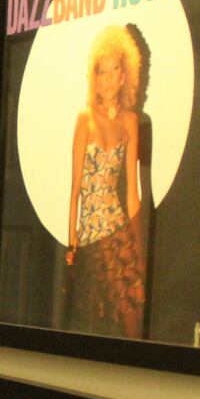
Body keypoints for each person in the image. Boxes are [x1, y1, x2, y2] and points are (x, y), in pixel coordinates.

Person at [66, 23, 147, 338]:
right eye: (103, 71)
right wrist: (71, 244)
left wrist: (138, 246)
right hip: (90, 236)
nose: (109, 78)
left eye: (115, 70)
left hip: (118, 231)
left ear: (125, 75)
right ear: (95, 78)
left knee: (131, 312)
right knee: (94, 322)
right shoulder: (84, 119)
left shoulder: (130, 121)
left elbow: (132, 192)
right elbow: (75, 191)